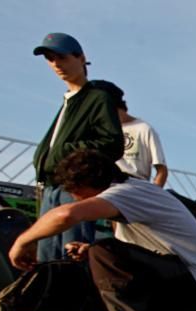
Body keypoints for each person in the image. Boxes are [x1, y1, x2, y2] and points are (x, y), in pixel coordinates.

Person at [8, 149, 196, 311]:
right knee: (95, 255)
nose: (75, 198)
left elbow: (66, 215)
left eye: (75, 192)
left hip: (195, 286)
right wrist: (88, 251)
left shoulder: (127, 192)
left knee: (103, 251)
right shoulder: (132, 195)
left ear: (86, 184)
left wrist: (22, 242)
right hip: (185, 282)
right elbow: (138, 253)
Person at [32, 32, 124, 261]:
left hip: (74, 186)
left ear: (81, 59)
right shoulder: (68, 100)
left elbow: (112, 144)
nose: (56, 64)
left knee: (73, 254)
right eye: (50, 59)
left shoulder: (96, 98)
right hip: (51, 186)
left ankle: (78, 296)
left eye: (62, 57)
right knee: (47, 257)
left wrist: (66, 152)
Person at [92, 80, 169, 186]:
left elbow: (161, 170)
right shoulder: (98, 130)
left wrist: (151, 195)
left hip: (134, 184)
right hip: (105, 185)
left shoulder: (143, 128)